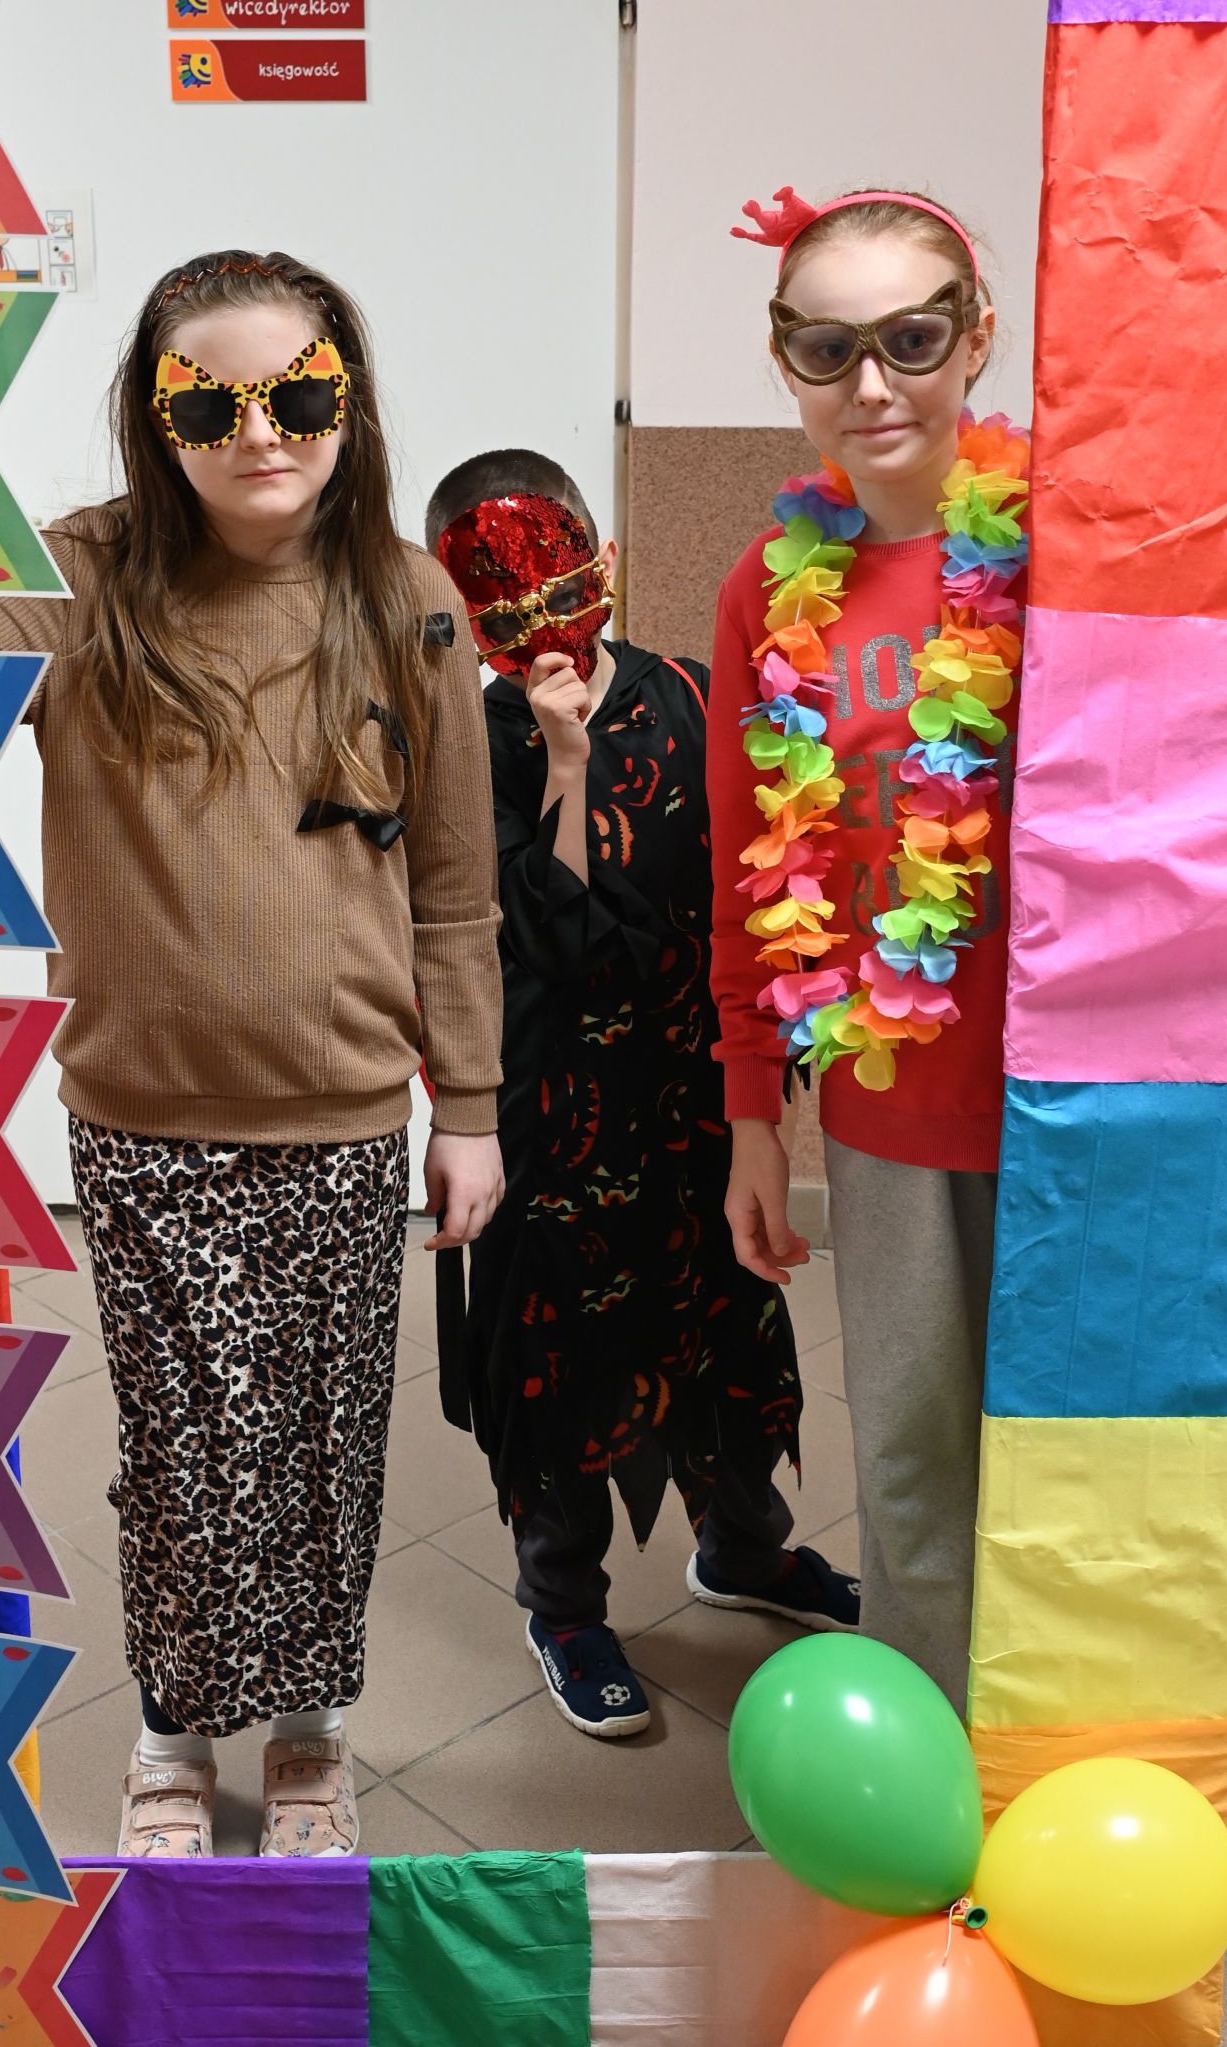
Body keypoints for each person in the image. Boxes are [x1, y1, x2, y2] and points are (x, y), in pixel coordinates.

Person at [706, 183, 1227, 1708]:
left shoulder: (1097, 542)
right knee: (913, 1464)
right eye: (825, 348)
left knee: (1090, 1454)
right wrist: (752, 1117)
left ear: (978, 336)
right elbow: (743, 877)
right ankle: (930, 1760)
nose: (871, 384)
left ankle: (1082, 1739)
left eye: (911, 339)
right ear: (784, 360)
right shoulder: (767, 595)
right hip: (888, 1112)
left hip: (1100, 1094)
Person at [0, 251, 504, 1859]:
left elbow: (455, 886)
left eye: (299, 393)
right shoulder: (84, 580)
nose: (260, 433)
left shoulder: (407, 600)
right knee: (181, 1457)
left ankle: (308, 1738)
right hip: (141, 1114)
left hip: (340, 1115)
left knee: (322, 1452)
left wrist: (468, 1108)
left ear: (348, 395)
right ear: (158, 419)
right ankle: (172, 1733)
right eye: (209, 404)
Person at [427, 449, 856, 1743]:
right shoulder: (468, 740)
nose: (542, 629)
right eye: (501, 610)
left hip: (690, 1096)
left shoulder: (691, 692)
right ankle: (562, 1605)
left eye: (558, 587)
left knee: (732, 1329)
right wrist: (561, 763)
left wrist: (769, 1075)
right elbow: (547, 935)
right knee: (557, 1367)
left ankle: (744, 1547)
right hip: (554, 1117)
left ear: (601, 562)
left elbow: (762, 878)